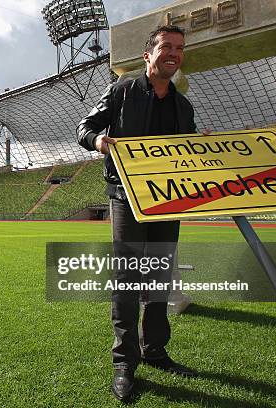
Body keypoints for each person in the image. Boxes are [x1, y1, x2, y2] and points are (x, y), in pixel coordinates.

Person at [77, 25, 201, 402]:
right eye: (166, 46)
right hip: (127, 198)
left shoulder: (183, 105)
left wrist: (205, 146)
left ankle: (155, 350)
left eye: (179, 48)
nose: (174, 53)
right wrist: (98, 141)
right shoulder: (122, 89)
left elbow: (188, 153)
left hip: (168, 201)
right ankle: (124, 363)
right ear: (148, 54)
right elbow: (85, 126)